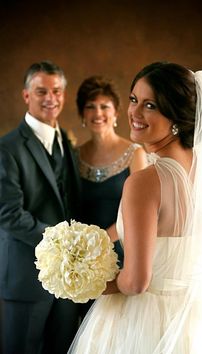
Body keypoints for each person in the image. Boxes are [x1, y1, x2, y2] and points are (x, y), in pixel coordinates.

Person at [68, 62, 202, 353]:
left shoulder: (144, 182)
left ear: (176, 116)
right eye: (134, 99)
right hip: (200, 316)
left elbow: (135, 282)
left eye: (150, 105)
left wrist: (80, 284)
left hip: (145, 322)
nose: (134, 112)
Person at [0, 61, 83, 354]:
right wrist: (62, 242)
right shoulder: (7, 148)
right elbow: (8, 214)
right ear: (26, 96)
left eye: (57, 91)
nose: (51, 98)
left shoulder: (67, 142)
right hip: (26, 279)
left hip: (67, 282)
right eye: (41, 91)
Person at [75, 75, 147, 266]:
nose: (97, 113)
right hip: (80, 254)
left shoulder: (135, 154)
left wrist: (99, 243)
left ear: (116, 113)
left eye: (104, 106)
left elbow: (140, 212)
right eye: (90, 106)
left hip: (121, 252)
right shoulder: (74, 155)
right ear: (82, 114)